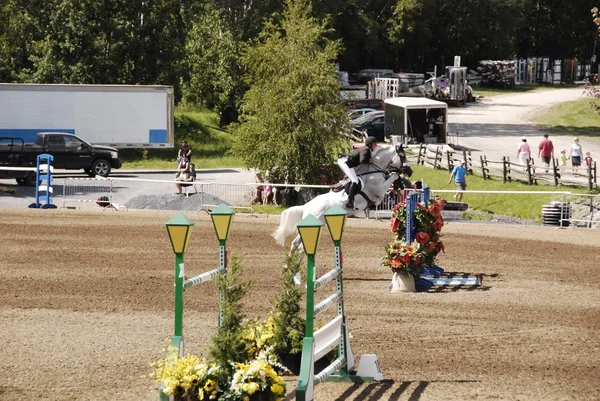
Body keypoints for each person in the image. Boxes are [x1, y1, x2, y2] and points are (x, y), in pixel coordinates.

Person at [337, 136, 378, 209]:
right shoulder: (366, 149)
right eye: (375, 144)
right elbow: (363, 161)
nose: (376, 145)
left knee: (355, 179)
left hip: (346, 162)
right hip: (345, 161)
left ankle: (352, 201)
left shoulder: (366, 149)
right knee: (355, 180)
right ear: (370, 144)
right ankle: (349, 202)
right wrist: (369, 160)